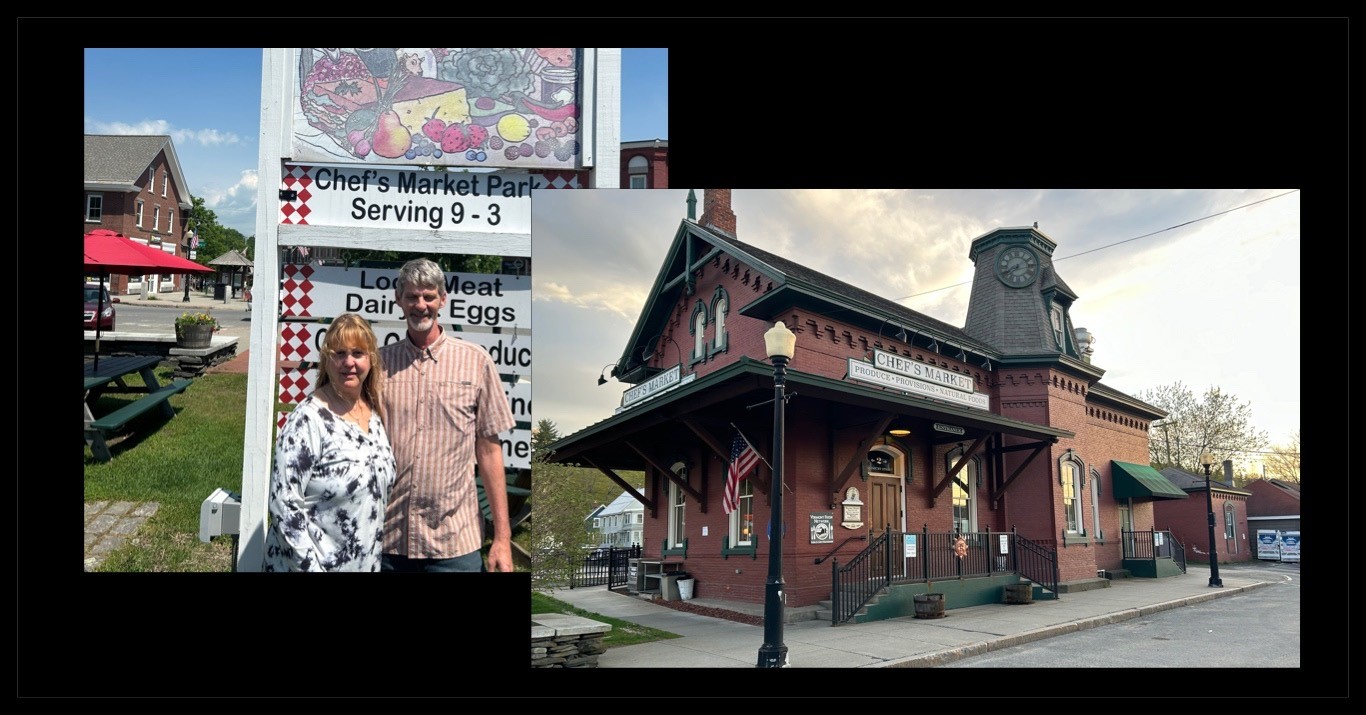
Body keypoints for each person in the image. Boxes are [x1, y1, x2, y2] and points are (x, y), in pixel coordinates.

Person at [380, 258, 516, 572]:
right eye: (412, 296)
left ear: (443, 299)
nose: (420, 305)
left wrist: (502, 540)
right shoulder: (380, 364)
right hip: (388, 540)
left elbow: (490, 450)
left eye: (428, 296)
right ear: (398, 300)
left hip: (455, 544)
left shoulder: (476, 361)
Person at [263, 313, 397, 572]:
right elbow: (283, 505)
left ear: (370, 359)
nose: (349, 362)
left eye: (358, 353)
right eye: (340, 353)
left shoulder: (375, 415)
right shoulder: (308, 419)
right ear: (327, 359)